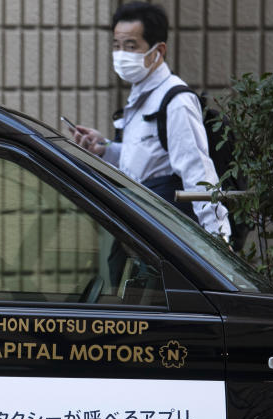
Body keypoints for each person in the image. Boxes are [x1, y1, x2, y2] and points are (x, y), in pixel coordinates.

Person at [72, 2, 231, 241]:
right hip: (142, 228)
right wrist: (105, 148)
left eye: (131, 46)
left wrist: (219, 239)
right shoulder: (142, 94)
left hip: (167, 234)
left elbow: (198, 174)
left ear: (159, 50)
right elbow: (146, 161)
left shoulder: (176, 101)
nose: (121, 55)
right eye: (117, 46)